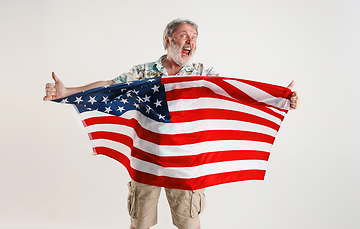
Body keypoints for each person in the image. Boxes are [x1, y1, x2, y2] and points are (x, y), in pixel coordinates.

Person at [44, 18, 300, 229]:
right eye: (184, 35)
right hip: (147, 160)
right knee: (139, 224)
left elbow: (234, 94)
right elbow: (110, 88)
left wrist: (278, 98)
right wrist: (69, 91)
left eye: (195, 37)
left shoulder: (203, 74)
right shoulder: (144, 72)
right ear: (168, 41)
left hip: (186, 163)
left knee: (189, 225)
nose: (191, 41)